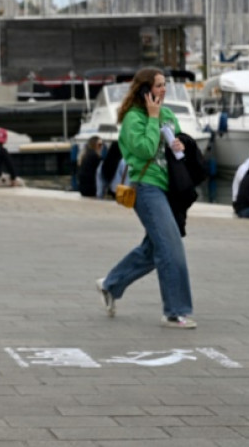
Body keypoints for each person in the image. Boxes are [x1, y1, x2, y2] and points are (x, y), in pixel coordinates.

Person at [95, 67, 197, 329]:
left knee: (153, 249)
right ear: (144, 90)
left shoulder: (168, 114)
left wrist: (181, 144)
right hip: (147, 188)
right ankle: (175, 312)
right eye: (158, 85)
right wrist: (152, 118)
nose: (164, 89)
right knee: (171, 248)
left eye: (165, 85)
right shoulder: (133, 119)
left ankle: (111, 284)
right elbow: (145, 149)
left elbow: (177, 146)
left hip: (170, 189)